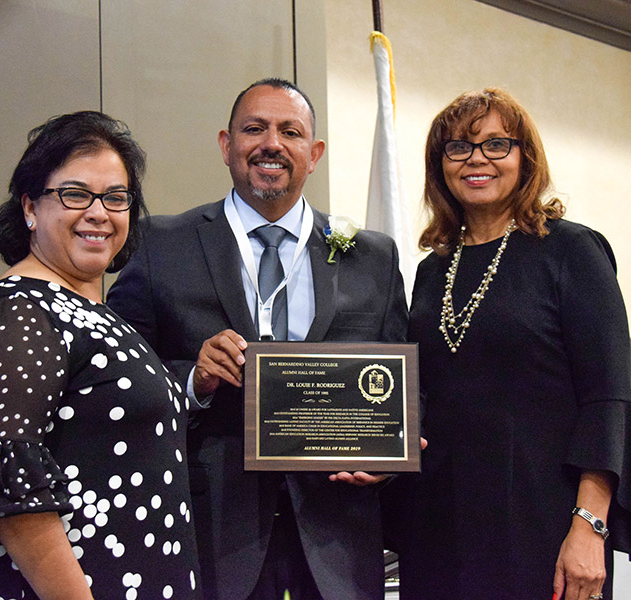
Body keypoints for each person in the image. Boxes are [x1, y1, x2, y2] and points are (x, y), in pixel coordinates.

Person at [107, 78, 408, 600]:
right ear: (227, 145)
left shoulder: (372, 256)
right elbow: (115, 377)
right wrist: (192, 380)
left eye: (290, 131)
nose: (272, 143)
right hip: (209, 531)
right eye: (255, 128)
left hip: (337, 540)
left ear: (313, 155)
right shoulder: (161, 244)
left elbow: (405, 383)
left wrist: (389, 450)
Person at [396, 88, 631, 599]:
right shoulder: (431, 271)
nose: (476, 158)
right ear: (441, 166)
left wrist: (590, 526)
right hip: (439, 520)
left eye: (496, 144)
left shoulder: (572, 250)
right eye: (458, 147)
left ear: (525, 158)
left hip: (543, 520)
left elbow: (606, 398)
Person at [0, 111, 200, 599]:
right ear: (30, 207)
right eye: (75, 194)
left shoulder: (98, 313)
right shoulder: (18, 312)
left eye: (116, 197)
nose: (99, 212)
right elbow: (10, 492)